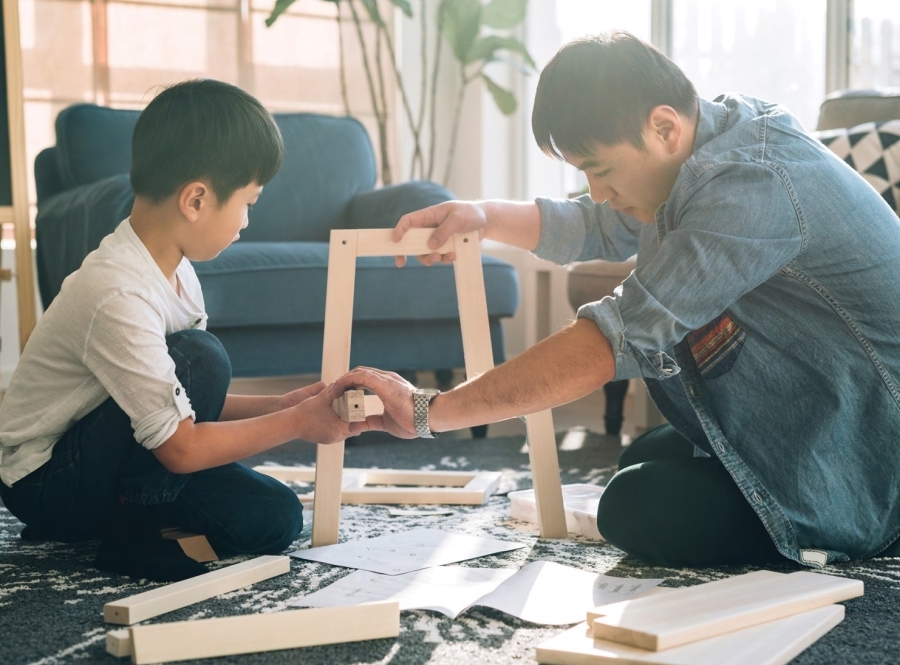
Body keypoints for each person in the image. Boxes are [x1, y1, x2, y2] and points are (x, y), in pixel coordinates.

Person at [337, 32, 900, 568]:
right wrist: (482, 216)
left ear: (662, 128)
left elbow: (616, 336)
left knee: (636, 505)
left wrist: (428, 411)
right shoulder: (711, 135)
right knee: (639, 462)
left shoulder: (752, 186)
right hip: (818, 406)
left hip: (872, 442)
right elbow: (596, 222)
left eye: (600, 170)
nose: (598, 191)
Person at [0, 80, 371, 581]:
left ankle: (114, 515)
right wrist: (299, 424)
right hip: (45, 481)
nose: (245, 223)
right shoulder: (118, 291)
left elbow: (178, 402)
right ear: (196, 199)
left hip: (117, 450)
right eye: (248, 203)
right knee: (201, 356)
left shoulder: (176, 271)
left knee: (273, 518)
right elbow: (178, 447)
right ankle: (131, 535)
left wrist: (280, 406)